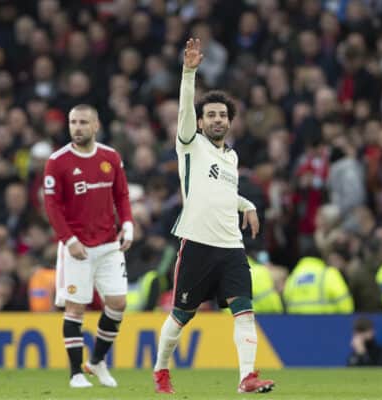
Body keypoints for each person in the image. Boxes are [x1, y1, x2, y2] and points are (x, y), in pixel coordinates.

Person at [152, 38, 274, 394]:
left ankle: (247, 377)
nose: (217, 119)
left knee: (244, 310)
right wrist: (189, 73)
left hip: (231, 246)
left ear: (229, 121)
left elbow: (222, 193)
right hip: (198, 244)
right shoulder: (190, 144)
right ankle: (161, 370)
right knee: (180, 318)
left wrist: (246, 205)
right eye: (211, 115)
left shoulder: (231, 158)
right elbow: (183, 113)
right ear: (202, 122)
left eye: (223, 115)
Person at [43, 104, 134, 388]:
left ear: (96, 126)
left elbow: (121, 195)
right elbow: (52, 205)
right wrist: (68, 240)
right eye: (73, 122)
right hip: (77, 248)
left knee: (118, 303)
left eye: (83, 122)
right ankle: (75, 373)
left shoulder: (110, 157)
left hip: (108, 244)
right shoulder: (57, 161)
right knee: (75, 308)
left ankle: (95, 361)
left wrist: (128, 224)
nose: (77, 127)